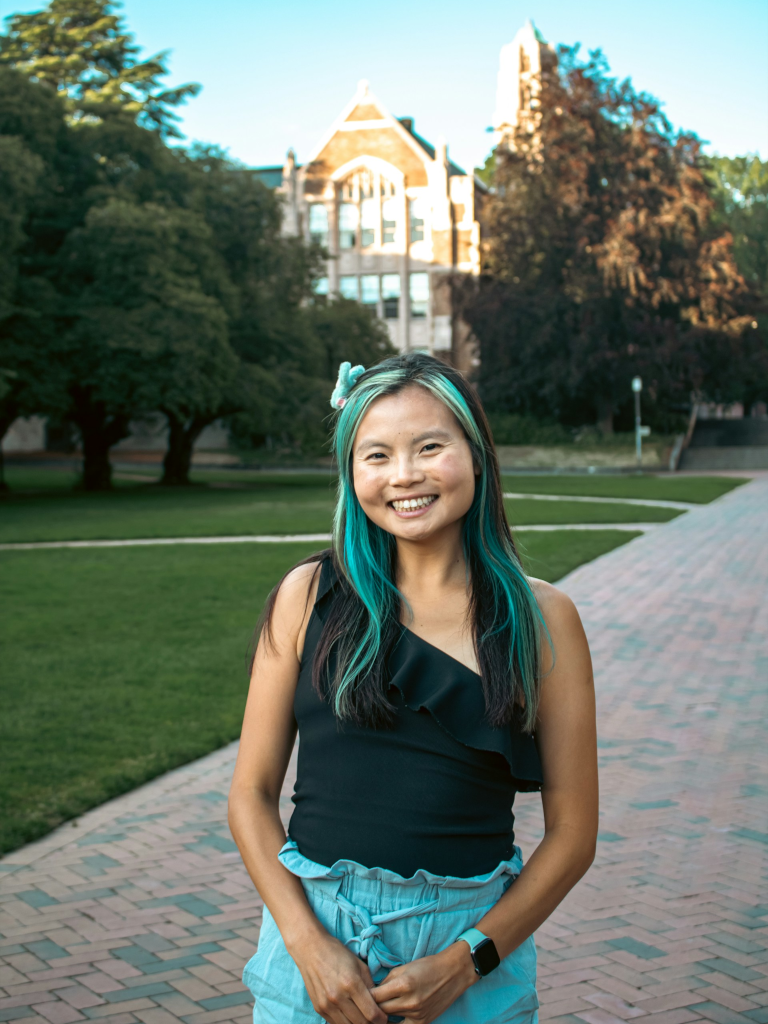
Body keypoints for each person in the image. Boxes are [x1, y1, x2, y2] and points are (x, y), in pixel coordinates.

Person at [229, 353, 598, 1024]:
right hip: (315, 950)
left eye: (430, 447)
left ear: (477, 454)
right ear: (351, 473)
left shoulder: (543, 621)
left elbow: (573, 835)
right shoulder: (307, 596)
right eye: (376, 455)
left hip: (472, 954)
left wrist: (465, 962)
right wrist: (308, 944)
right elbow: (250, 796)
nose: (404, 476)